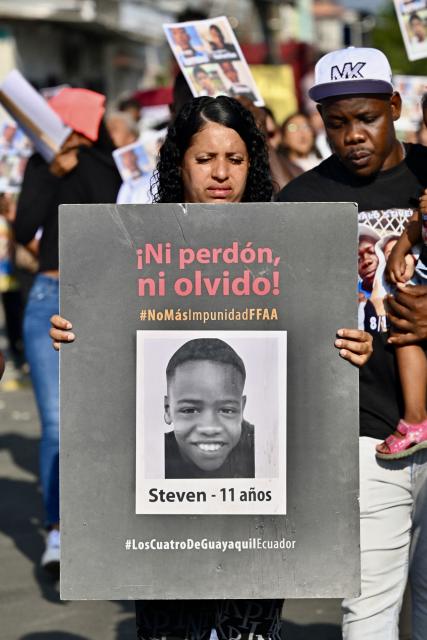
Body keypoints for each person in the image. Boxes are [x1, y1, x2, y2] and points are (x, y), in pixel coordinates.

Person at [50, 95, 372, 639]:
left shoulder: (293, 247)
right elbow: (109, 357)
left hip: (264, 524)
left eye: (237, 159)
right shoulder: (130, 247)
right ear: (179, 163)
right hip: (160, 530)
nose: (221, 174)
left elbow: (315, 346)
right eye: (205, 159)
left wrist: (349, 348)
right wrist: (79, 337)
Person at [277, 46, 427, 639]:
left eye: (367, 118)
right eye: (336, 124)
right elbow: (276, 319)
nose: (352, 136)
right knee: (367, 615)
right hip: (366, 435)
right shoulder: (300, 203)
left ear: (395, 106)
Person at [14, 88, 121, 574]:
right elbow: (23, 231)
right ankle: (58, 530)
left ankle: (104, 524)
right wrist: (51, 176)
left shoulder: (108, 165)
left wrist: (83, 165)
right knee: (56, 422)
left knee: (104, 417)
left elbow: (119, 221)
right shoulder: (41, 167)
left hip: (100, 297)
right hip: (47, 297)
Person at [164, 337, 254, 479]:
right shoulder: (153, 456)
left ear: (241, 409)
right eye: (190, 410)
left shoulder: (261, 448)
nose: (210, 428)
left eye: (226, 410)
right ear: (168, 409)